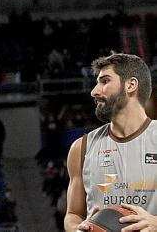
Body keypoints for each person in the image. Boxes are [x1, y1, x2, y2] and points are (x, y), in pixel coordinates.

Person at [64, 53, 157, 231]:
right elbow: (73, 214)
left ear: (131, 85)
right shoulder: (81, 148)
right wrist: (76, 229)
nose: (94, 91)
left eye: (105, 81)